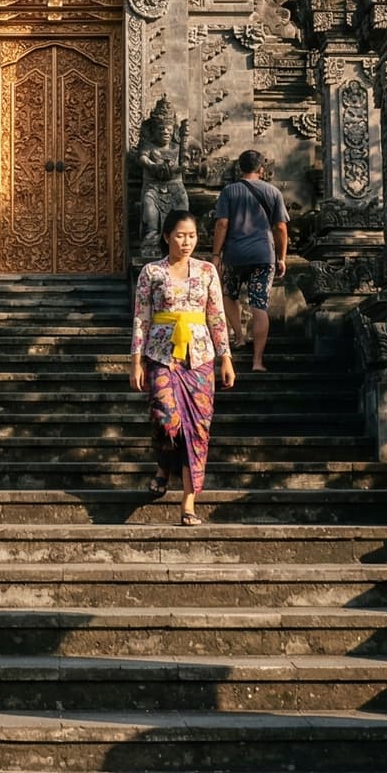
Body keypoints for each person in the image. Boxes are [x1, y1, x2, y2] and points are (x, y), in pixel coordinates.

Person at [130, 208, 235, 526]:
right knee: (167, 420)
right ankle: (164, 464)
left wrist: (225, 357)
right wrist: (135, 361)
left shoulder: (206, 271)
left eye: (191, 235)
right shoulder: (151, 272)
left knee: (197, 430)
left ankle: (188, 503)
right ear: (166, 236)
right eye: (180, 235)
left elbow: (216, 315)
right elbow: (141, 317)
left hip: (199, 357)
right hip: (161, 355)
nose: (187, 241)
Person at [210, 150, 289, 372]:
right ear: (261, 169)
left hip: (235, 255)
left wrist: (216, 254)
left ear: (239, 168)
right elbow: (281, 228)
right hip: (264, 256)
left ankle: (239, 335)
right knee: (259, 305)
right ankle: (257, 361)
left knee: (228, 294)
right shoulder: (273, 192)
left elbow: (222, 224)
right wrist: (281, 258)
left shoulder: (229, 191)